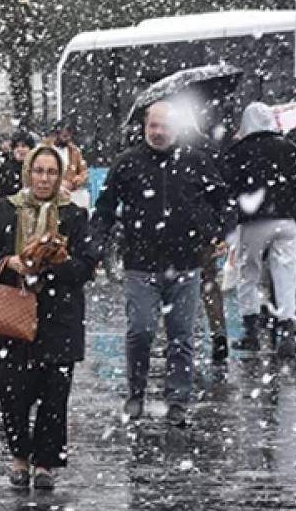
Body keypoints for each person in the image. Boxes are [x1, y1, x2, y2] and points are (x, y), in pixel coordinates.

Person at [91, 101, 231, 427]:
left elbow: (222, 201)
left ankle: (177, 399)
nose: (158, 132)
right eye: (153, 125)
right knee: (140, 331)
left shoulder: (196, 161)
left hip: (185, 264)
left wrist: (218, 231)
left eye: (164, 126)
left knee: (181, 336)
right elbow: (106, 209)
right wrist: (95, 246)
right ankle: (136, 392)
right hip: (140, 264)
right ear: (144, 127)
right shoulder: (127, 164)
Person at [0, 145, 97, 490]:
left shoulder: (74, 215)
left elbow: (87, 265)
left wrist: (56, 261)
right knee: (11, 388)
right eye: (38, 171)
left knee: (55, 389)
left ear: (59, 176)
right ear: (28, 172)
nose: (44, 178)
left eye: (50, 172)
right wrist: (10, 262)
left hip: (59, 314)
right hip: (13, 310)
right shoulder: (4, 210)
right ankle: (19, 457)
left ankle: (45, 462)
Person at [222, 102, 296, 356]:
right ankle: (285, 332)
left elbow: (229, 188)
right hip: (286, 221)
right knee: (285, 275)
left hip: (253, 222)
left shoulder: (238, 151)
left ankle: (251, 331)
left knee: (248, 274)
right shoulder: (289, 148)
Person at [188, 128, 230, 362]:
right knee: (209, 283)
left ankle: (184, 335)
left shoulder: (172, 152)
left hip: (179, 229)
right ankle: (218, 333)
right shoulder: (210, 149)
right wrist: (220, 229)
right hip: (205, 228)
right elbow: (222, 192)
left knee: (179, 285)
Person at [40, 124, 90, 210]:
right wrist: (58, 185)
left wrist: (79, 178)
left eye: (68, 136)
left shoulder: (74, 151)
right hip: (48, 196)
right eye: (64, 135)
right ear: (56, 135)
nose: (67, 138)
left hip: (70, 196)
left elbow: (84, 171)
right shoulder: (44, 149)